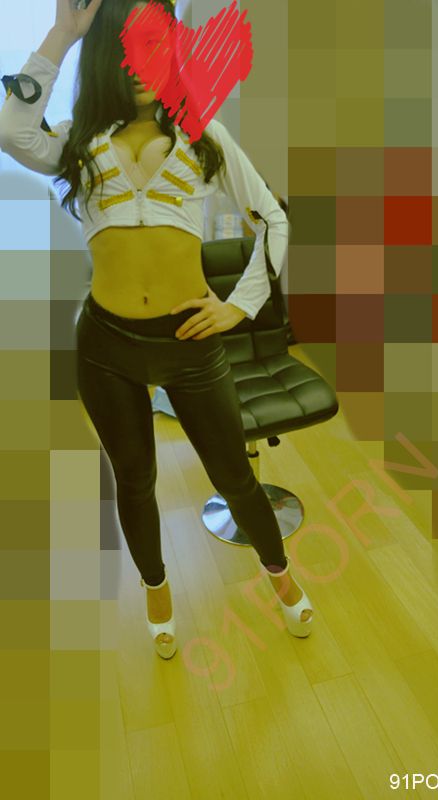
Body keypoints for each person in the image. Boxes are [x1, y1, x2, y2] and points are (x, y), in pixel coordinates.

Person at [0, 0, 313, 659]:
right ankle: (156, 586)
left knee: (235, 478)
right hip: (105, 348)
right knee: (134, 479)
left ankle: (281, 576)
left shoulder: (203, 138)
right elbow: (11, 129)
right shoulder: (81, 145)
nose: (140, 64)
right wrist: (62, 33)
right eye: (124, 48)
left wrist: (241, 306)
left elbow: (273, 218)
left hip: (190, 344)